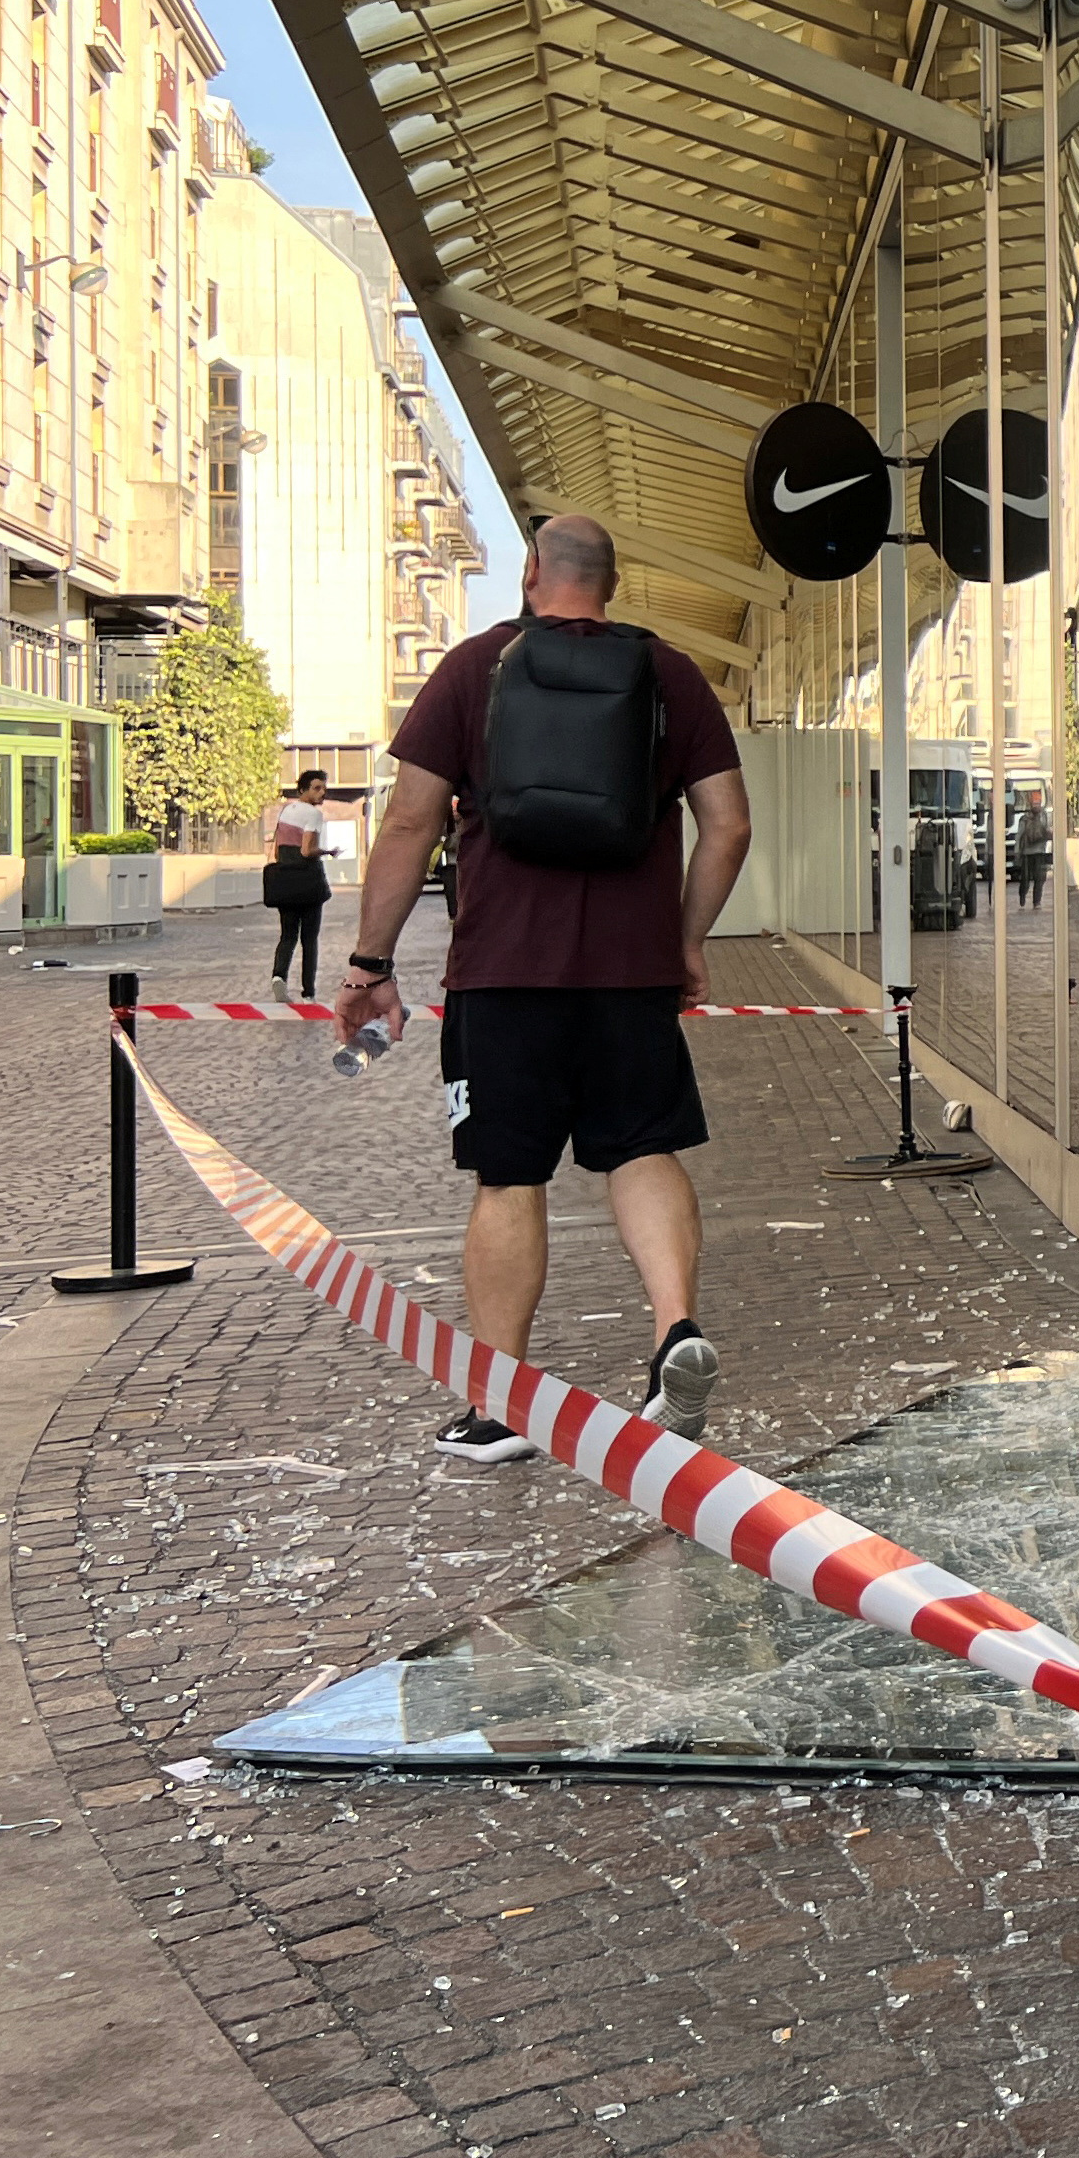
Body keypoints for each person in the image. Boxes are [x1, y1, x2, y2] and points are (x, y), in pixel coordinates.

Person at [334, 516, 752, 1463]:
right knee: (643, 1150)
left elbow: (407, 823)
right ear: (614, 580)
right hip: (631, 975)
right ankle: (674, 1333)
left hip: (503, 975)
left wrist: (370, 963)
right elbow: (727, 826)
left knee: (509, 1177)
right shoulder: (669, 673)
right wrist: (684, 939)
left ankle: (502, 1405)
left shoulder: (475, 667)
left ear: (530, 574)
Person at [264, 768, 332, 994]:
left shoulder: (285, 811)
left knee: (287, 935)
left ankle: (278, 976)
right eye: (317, 788)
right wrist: (327, 851)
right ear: (303, 790)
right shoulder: (313, 814)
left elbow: (276, 851)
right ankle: (308, 991)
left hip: (285, 879)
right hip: (308, 880)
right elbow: (307, 850)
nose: (322, 792)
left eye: (323, 788)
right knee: (309, 939)